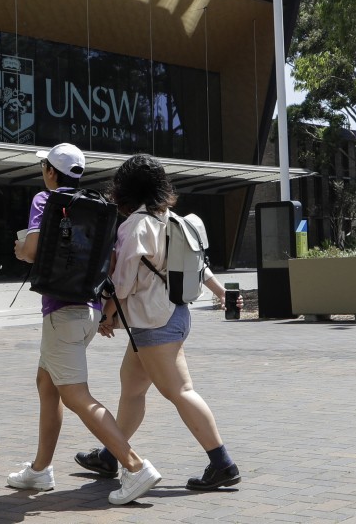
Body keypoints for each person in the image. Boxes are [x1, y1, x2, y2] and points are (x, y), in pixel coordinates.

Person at [74, 153, 241, 490]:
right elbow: (199, 267)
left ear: (126, 189)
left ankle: (222, 463)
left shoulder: (136, 226)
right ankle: (110, 455)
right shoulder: (174, 219)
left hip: (154, 323)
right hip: (174, 314)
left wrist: (107, 315)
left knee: (180, 391)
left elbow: (122, 283)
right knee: (132, 388)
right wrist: (222, 292)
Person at [8, 143, 161, 505]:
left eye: (44, 167)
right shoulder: (98, 207)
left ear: (50, 172)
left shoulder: (46, 200)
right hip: (88, 311)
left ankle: (135, 466)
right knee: (47, 384)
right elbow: (110, 261)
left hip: (61, 313)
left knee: (76, 395)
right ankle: (40, 470)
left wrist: (20, 250)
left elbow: (31, 250)